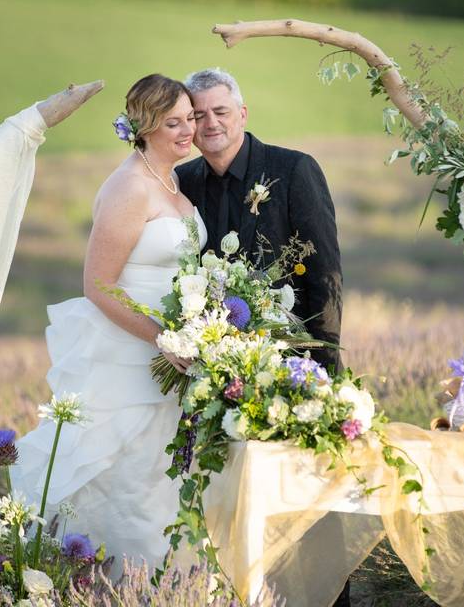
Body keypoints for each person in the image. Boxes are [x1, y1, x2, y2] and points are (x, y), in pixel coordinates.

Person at [11, 74, 205, 575]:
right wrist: (163, 338)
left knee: (162, 482)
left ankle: (162, 584)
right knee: (129, 483)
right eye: (173, 123)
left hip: (171, 358)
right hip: (132, 356)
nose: (188, 131)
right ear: (143, 128)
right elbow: (98, 285)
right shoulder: (129, 187)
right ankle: (114, 584)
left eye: (190, 119)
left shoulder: (172, 178)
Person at [176, 68, 348, 605]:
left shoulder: (293, 170)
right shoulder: (181, 182)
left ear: (242, 114)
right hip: (219, 376)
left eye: (220, 111)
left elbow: (325, 276)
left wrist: (319, 369)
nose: (210, 124)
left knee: (310, 508)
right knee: (235, 508)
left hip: (295, 369)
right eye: (197, 115)